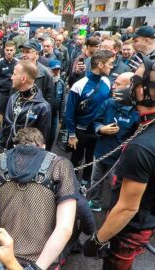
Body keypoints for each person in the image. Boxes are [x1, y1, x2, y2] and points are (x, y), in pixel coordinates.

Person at [84, 55, 155, 269]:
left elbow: (126, 208)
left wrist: (96, 240)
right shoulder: (145, 128)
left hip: (128, 230)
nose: (129, 87)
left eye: (134, 81)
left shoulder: (141, 146)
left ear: (145, 91)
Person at [0, 127, 78, 269]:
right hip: (43, 261)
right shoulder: (61, 165)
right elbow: (65, 228)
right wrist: (37, 267)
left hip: (2, 255)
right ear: (43, 146)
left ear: (15, 146)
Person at [88, 72, 139, 212]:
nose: (113, 86)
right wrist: (101, 129)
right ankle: (95, 203)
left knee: (115, 186)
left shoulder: (136, 112)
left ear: (130, 87)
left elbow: (137, 137)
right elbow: (96, 121)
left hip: (118, 160)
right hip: (100, 152)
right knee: (95, 181)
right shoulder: (109, 103)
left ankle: (113, 210)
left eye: (118, 84)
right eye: (114, 82)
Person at [66, 50, 114, 188]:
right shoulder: (79, 85)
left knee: (92, 161)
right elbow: (69, 113)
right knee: (76, 159)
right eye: (110, 64)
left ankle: (85, 185)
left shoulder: (106, 81)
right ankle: (71, 185)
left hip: (99, 131)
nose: (112, 66)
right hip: (80, 131)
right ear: (100, 64)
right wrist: (71, 134)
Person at [0, 60, 51, 151]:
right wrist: (0, 146)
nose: (11, 77)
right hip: (6, 152)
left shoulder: (43, 107)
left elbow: (41, 144)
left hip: (25, 157)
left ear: (23, 79)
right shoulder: (13, 97)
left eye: (14, 74)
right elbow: (6, 125)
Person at [20, 39, 54, 106]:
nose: (24, 55)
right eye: (23, 52)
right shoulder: (18, 70)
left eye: (27, 52)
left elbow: (49, 98)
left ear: (36, 54)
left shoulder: (45, 73)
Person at [0, 40, 18, 114]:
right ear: (4, 50)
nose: (9, 52)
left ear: (15, 50)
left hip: (14, 94)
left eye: (11, 50)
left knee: (11, 115)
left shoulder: (18, 63)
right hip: (1, 94)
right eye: (7, 50)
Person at [47, 59, 66, 150]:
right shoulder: (45, 81)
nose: (56, 72)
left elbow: (62, 101)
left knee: (52, 137)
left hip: (54, 116)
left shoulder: (61, 83)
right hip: (45, 115)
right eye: (54, 70)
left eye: (58, 70)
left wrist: (61, 117)